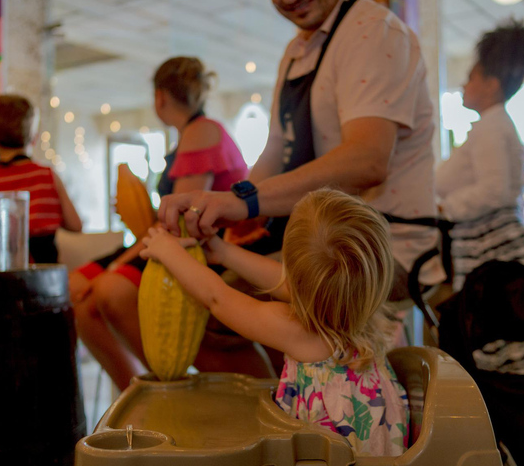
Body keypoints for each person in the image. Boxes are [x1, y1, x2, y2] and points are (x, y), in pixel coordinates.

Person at [158, 0, 444, 302]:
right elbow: (277, 150)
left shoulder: (372, 32)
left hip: (385, 249)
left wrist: (246, 201)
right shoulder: (295, 54)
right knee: (202, 290)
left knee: (217, 300)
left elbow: (367, 160)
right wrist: (232, 207)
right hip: (324, 239)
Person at [141, 188, 409, 457]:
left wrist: (168, 253)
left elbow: (217, 298)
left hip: (334, 458)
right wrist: (223, 252)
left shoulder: (297, 330)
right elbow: (284, 281)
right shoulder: (360, 307)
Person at [69, 57, 262, 389]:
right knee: (76, 292)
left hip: (210, 247)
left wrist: (116, 264)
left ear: (159, 97)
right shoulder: (193, 133)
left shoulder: (201, 131)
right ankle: (132, 391)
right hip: (184, 240)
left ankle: (165, 386)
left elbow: (183, 225)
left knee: (110, 291)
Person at [436, 20, 524, 291]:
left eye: (471, 78)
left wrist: (445, 207)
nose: (464, 85)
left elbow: (493, 190)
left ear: (492, 85)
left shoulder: (492, 127)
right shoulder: (492, 125)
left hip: (491, 247)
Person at [0, 94, 82, 263]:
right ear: (34, 138)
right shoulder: (48, 176)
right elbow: (76, 225)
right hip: (43, 279)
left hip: (0, 279)